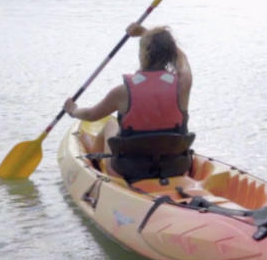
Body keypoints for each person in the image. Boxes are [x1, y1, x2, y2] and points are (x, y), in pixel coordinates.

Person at [63, 22, 193, 181]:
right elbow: (183, 60)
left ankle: (97, 169)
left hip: (130, 170)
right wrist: (145, 32)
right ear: (170, 52)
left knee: (111, 124)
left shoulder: (122, 92)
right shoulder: (182, 85)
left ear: (144, 53)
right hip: (176, 167)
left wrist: (73, 110)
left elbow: (91, 115)